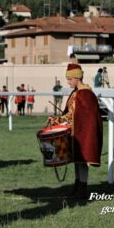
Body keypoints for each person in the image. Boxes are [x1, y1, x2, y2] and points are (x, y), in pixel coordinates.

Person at [47, 63, 103, 199]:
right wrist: (58, 120)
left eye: (70, 79)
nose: (68, 82)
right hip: (74, 133)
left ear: (77, 78)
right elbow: (71, 114)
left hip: (82, 133)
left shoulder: (85, 94)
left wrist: (57, 120)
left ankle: (82, 189)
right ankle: (77, 186)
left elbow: (79, 116)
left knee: (82, 161)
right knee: (77, 161)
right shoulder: (76, 92)